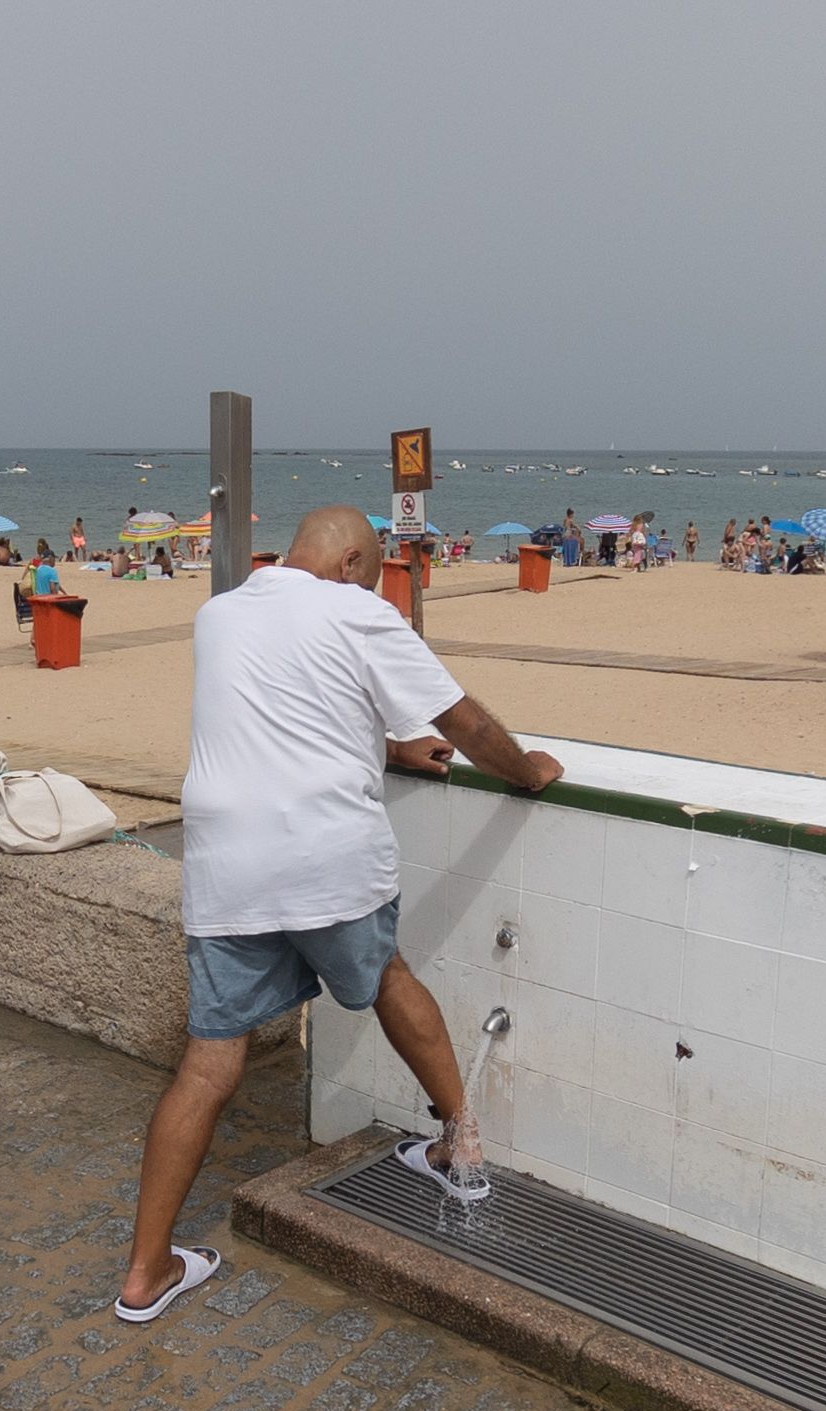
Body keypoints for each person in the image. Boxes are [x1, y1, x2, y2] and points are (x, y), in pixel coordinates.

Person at [114, 506, 562, 1322]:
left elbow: (279, 707)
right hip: (327, 857)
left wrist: (385, 747)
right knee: (389, 976)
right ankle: (459, 1150)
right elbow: (463, 722)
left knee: (209, 1064)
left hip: (224, 867)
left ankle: (146, 1273)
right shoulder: (360, 610)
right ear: (353, 561)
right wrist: (525, 770)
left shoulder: (217, 613)